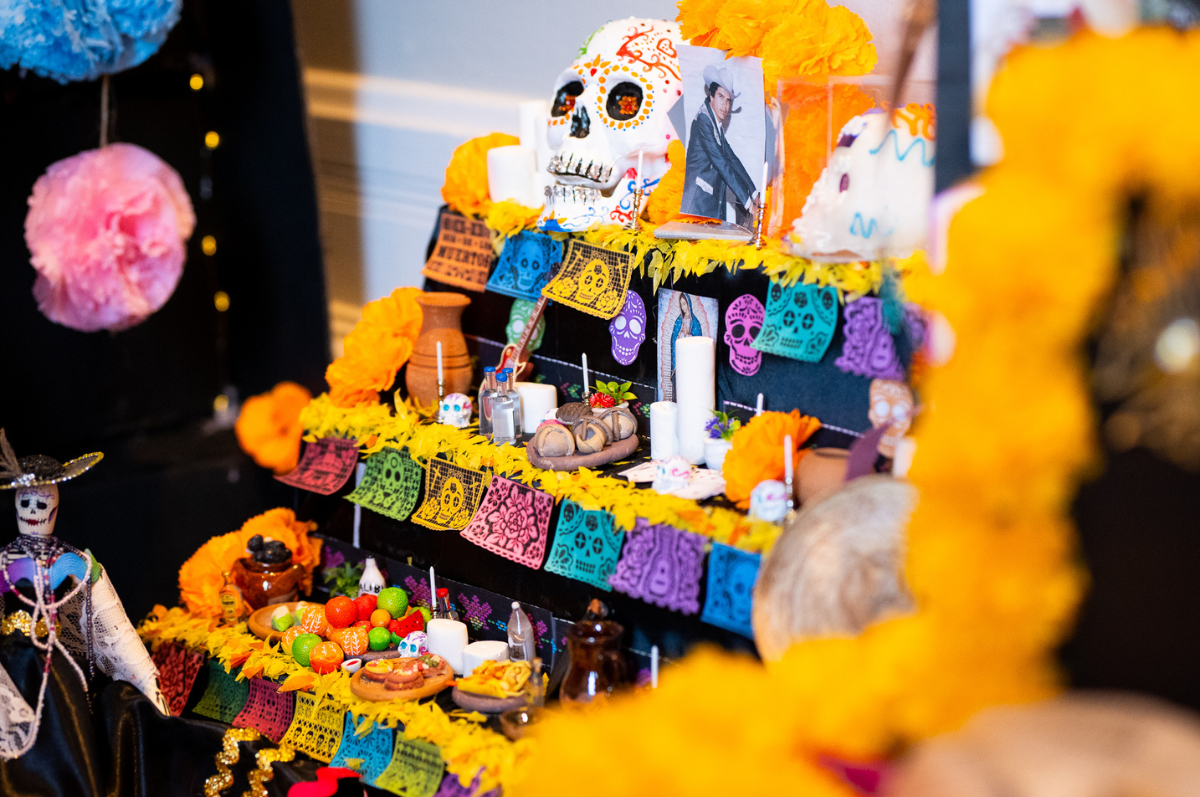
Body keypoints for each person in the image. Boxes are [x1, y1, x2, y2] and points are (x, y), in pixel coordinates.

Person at [681, 64, 761, 226]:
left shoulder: (714, 124)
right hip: (697, 202)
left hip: (711, 201)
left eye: (728, 100)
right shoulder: (703, 120)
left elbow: (732, 159)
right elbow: (721, 163)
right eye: (721, 97)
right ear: (711, 96)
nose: (725, 105)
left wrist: (753, 192)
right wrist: (748, 205)